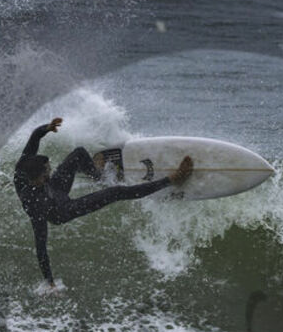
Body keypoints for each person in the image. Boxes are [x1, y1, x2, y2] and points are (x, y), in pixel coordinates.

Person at [13, 117, 193, 288]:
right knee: (116, 192)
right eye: (47, 170)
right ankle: (172, 179)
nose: (50, 169)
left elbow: (35, 136)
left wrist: (47, 128)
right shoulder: (36, 206)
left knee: (79, 153)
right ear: (38, 179)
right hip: (62, 210)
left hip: (53, 189)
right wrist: (50, 282)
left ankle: (98, 175)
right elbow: (40, 247)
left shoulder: (24, 165)